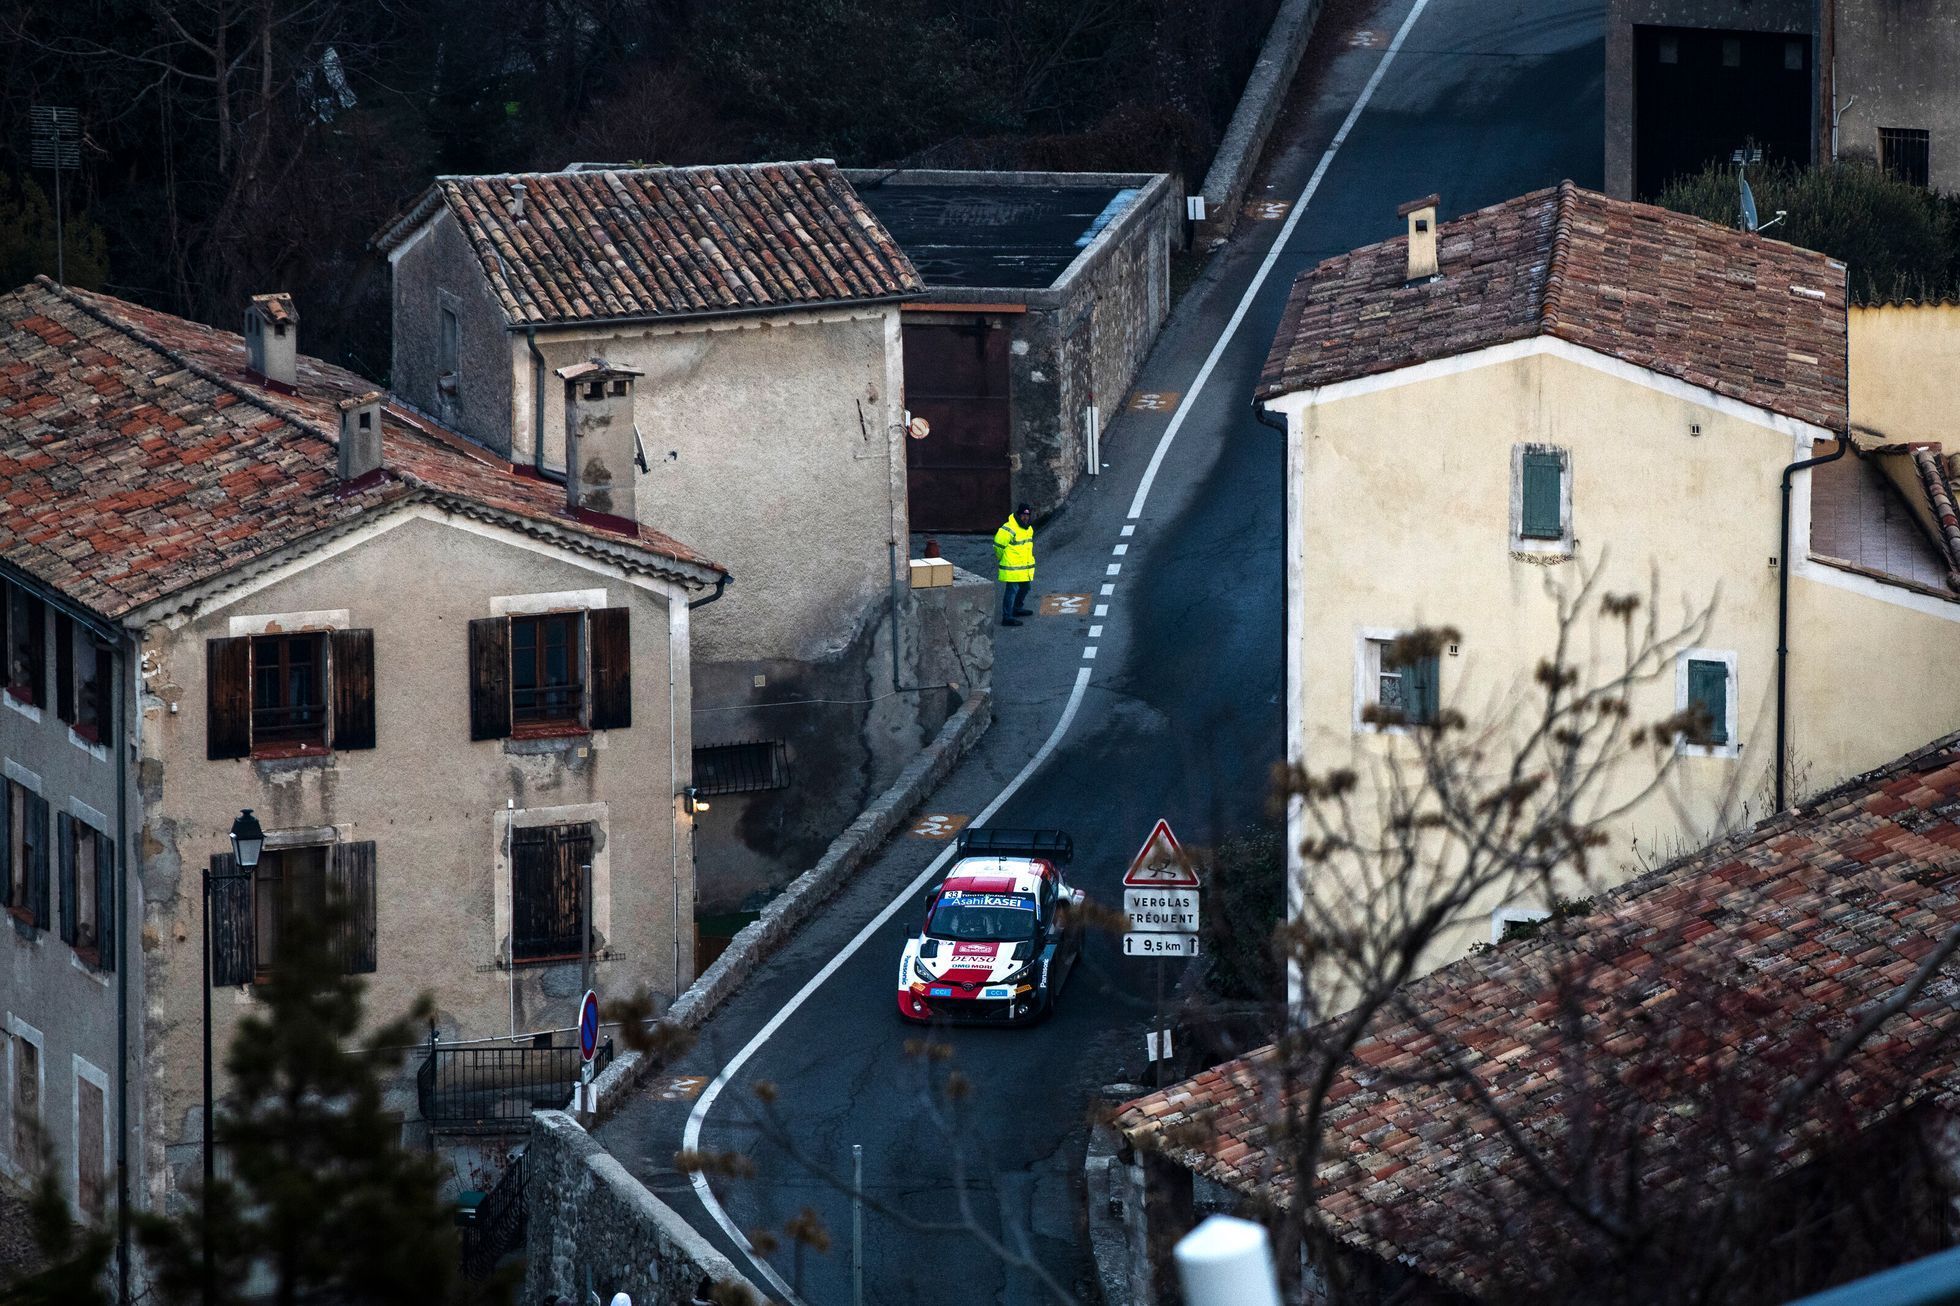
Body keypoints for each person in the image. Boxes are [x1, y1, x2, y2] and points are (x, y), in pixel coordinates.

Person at [994, 503, 1035, 626]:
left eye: (1027, 515)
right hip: (1012, 568)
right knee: (1012, 591)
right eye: (1023, 515)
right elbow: (998, 546)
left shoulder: (1028, 529)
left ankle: (1016, 608)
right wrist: (1003, 558)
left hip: (1023, 568)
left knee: (1025, 588)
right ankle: (1007, 617)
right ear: (1018, 514)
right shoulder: (1008, 528)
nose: (1025, 518)